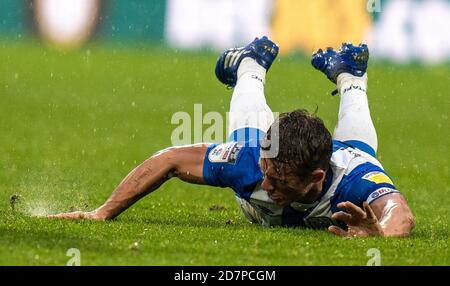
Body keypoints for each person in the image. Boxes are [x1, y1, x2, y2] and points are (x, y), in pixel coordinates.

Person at [49, 36, 416, 237]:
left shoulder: (357, 181)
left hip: (348, 159)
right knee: (248, 139)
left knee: (363, 150)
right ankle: (250, 64)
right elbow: (170, 159)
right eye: (266, 171)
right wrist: (103, 213)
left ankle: (351, 77)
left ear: (316, 179)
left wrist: (380, 231)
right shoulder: (249, 161)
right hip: (275, 149)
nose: (266, 182)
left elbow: (400, 213)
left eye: (279, 180)